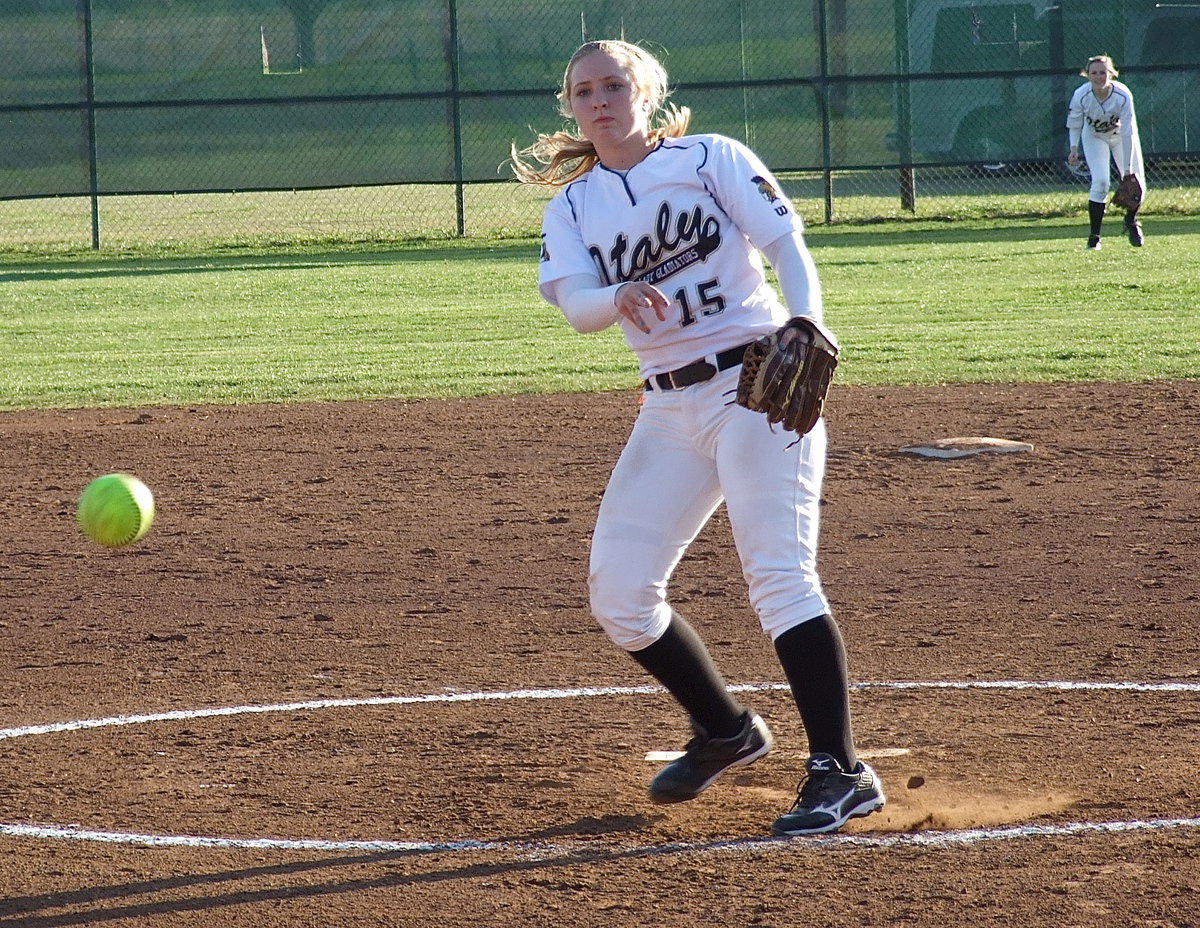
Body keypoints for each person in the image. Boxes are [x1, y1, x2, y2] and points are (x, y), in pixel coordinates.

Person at [511, 39, 885, 837]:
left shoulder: (710, 158)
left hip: (755, 384)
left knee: (779, 578)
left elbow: (786, 243)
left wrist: (807, 317)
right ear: (570, 106)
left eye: (615, 84)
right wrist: (617, 294)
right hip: (668, 409)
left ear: (646, 92)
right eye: (583, 90)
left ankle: (841, 772)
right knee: (619, 595)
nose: (599, 100)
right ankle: (726, 731)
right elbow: (577, 306)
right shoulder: (574, 207)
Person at [1067, 54, 1146, 249]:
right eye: (1094, 73)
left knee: (1136, 184)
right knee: (1101, 182)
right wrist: (1073, 148)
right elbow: (1075, 122)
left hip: (1121, 136)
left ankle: (1131, 221)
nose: (1099, 77)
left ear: (1111, 74)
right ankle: (1094, 237)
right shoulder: (1081, 95)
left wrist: (1127, 170)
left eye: (1103, 72)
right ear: (1087, 74)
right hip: (1094, 137)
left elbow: (1128, 131)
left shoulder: (1122, 94)